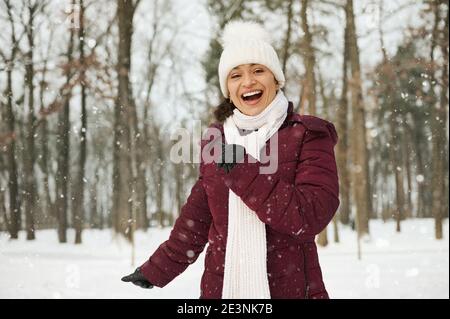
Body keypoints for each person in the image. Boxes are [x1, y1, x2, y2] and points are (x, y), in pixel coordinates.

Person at [122, 20, 339, 299]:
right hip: (222, 289)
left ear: (276, 78)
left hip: (290, 289)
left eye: (258, 70)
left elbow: (309, 215)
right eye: (235, 75)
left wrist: (241, 169)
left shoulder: (308, 134)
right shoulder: (217, 141)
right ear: (228, 88)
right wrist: (157, 268)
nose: (248, 82)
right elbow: (198, 218)